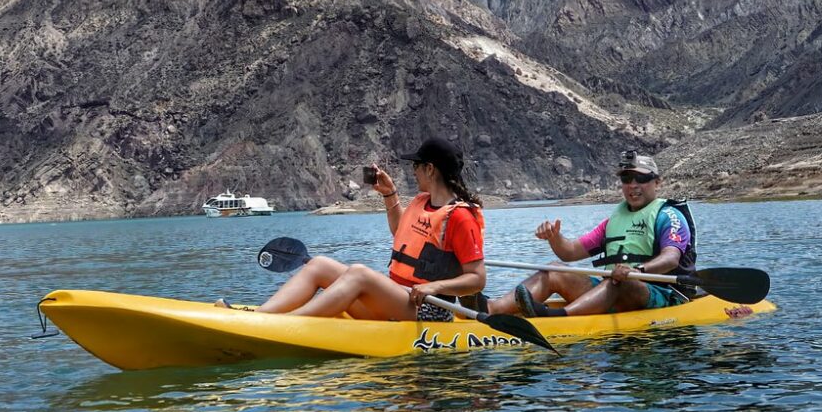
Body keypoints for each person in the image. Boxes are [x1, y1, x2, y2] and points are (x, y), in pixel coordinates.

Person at [244, 137, 486, 321]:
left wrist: (434, 286)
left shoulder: (461, 217)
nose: (413, 170)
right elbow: (401, 233)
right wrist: (390, 195)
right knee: (319, 265)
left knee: (359, 273)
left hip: (430, 309)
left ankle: (289, 323)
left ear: (430, 169)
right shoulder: (421, 201)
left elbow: (477, 279)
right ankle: (261, 316)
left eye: (417, 165)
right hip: (398, 298)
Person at [488, 150, 696, 317]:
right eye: (627, 178)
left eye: (641, 178)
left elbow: (671, 258)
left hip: (660, 294)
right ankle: (492, 309)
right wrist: (554, 238)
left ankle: (559, 316)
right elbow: (570, 253)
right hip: (612, 287)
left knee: (620, 281)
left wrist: (638, 271)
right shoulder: (614, 221)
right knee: (553, 271)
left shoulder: (669, 215)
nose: (633, 185)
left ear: (657, 182)